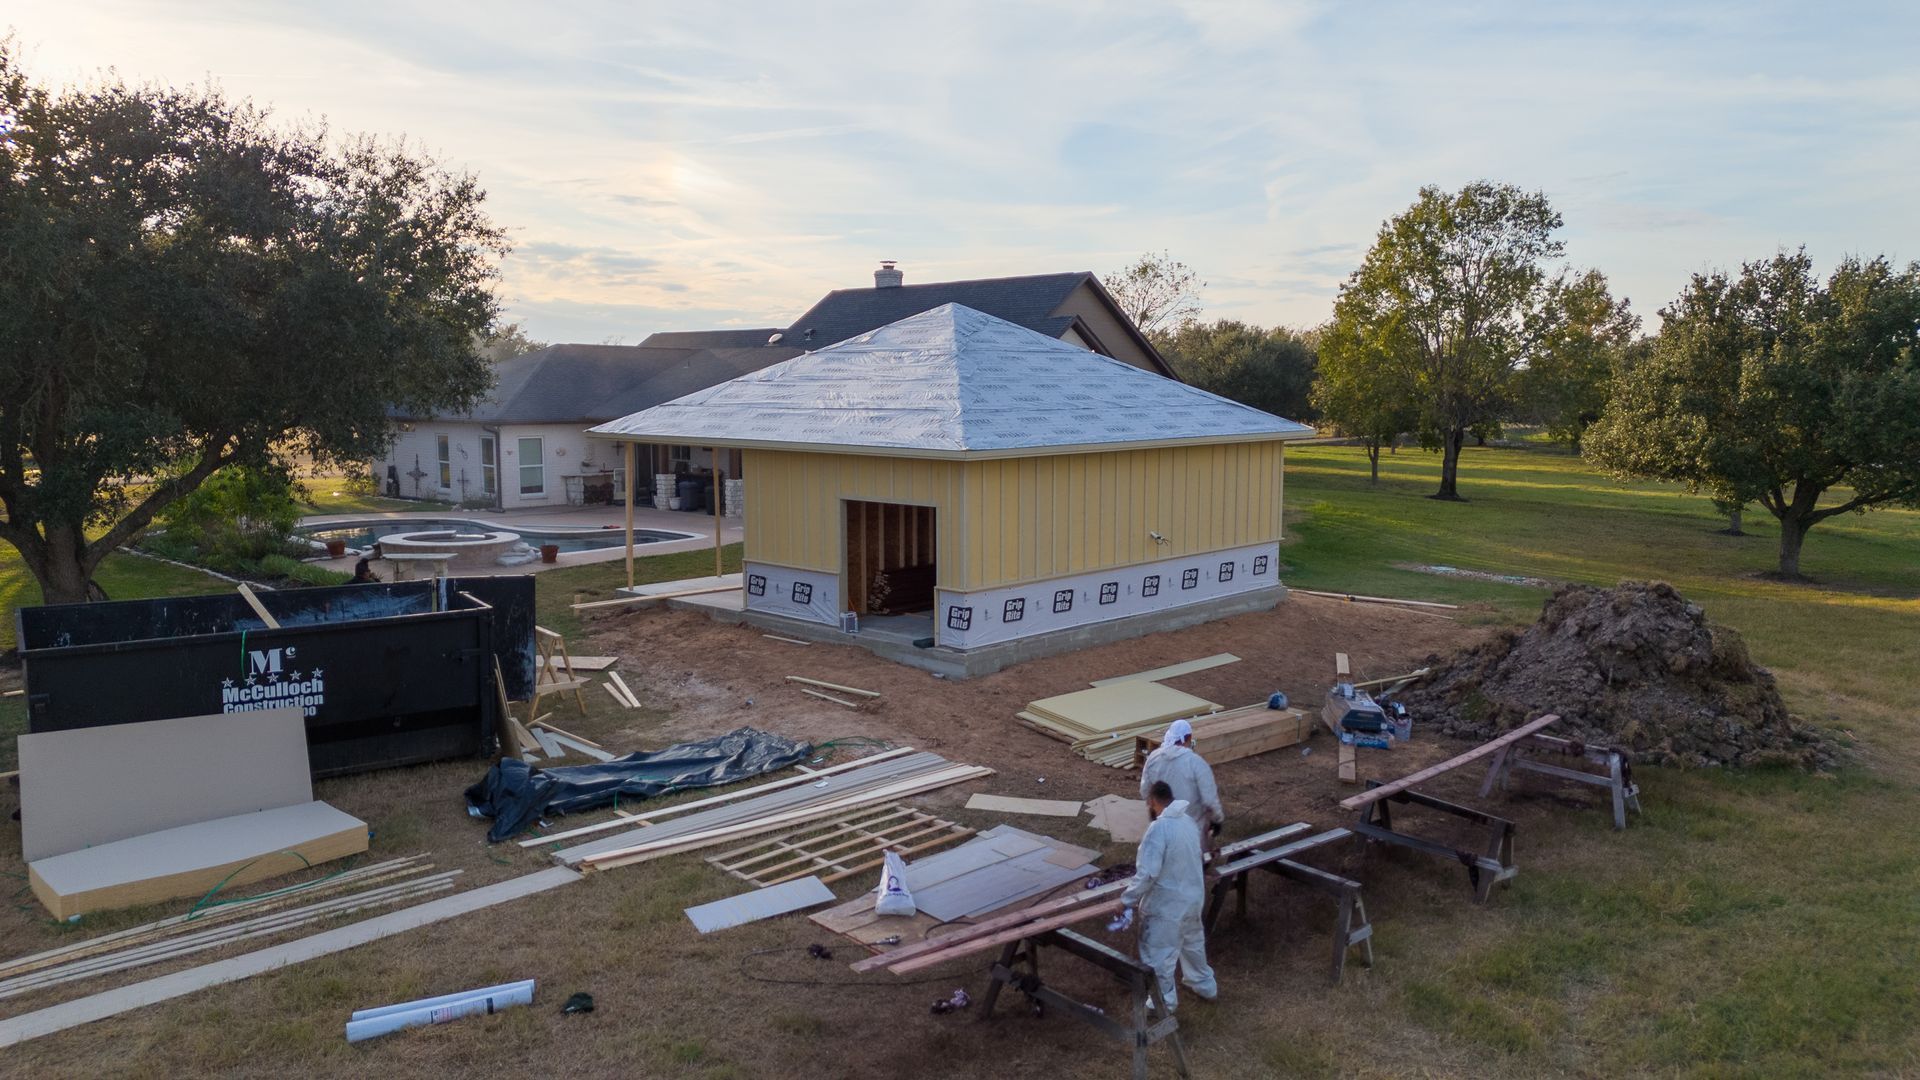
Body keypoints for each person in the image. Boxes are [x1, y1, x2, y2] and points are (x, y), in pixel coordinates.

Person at [1118, 779, 1217, 1012]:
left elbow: (1147, 874)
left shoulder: (1158, 829)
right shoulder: (1188, 822)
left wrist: (1126, 900)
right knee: (1193, 945)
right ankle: (1205, 986)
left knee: (1160, 955)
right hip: (1192, 899)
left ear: (1152, 801)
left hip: (1167, 905)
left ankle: (1164, 1003)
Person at [1140, 717, 1225, 845]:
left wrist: (1154, 810)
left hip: (1162, 828)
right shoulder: (1196, 763)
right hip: (1191, 832)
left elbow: (1145, 791)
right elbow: (1210, 800)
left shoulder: (1153, 758)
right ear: (1189, 738)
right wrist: (1217, 820)